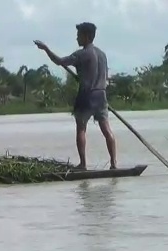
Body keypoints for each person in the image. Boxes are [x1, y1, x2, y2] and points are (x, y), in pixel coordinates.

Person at [34, 22, 117, 170]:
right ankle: (113, 164)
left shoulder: (82, 54)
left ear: (86, 36)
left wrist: (45, 49)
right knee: (106, 129)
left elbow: (59, 61)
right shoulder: (102, 55)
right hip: (101, 96)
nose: (76, 38)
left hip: (87, 96)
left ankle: (83, 164)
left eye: (78, 35)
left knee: (81, 129)